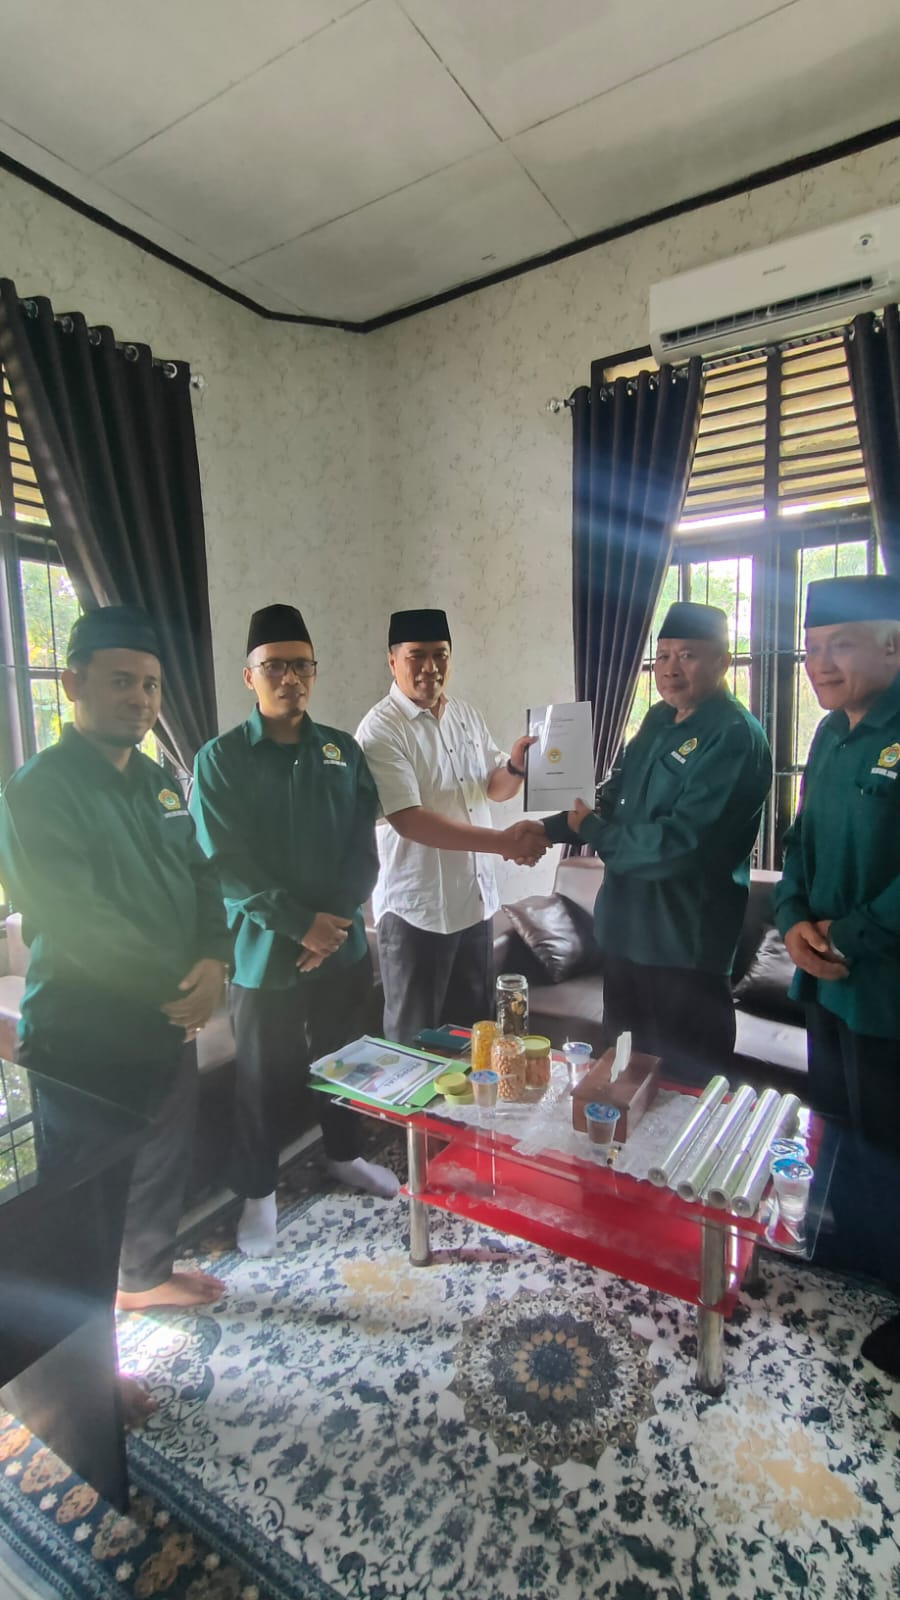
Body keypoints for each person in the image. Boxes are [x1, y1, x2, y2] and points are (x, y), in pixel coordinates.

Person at [0, 606, 231, 1415]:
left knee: (160, 1165)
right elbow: (76, 921)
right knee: (83, 1213)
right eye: (122, 682)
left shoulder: (159, 778)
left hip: (164, 1024)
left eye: (152, 685)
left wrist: (216, 960)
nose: (141, 699)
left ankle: (144, 1278)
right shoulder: (38, 790)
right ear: (74, 684)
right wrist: (182, 984)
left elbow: (203, 873)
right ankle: (82, 1379)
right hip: (85, 1040)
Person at [190, 604, 395, 1259]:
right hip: (262, 953)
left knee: (346, 1060)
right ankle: (258, 1192)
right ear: (248, 676)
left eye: (301, 666)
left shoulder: (340, 750)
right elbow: (225, 862)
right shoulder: (220, 760)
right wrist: (299, 925)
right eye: (274, 666)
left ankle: (344, 1154)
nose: (290, 678)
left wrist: (330, 925)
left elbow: (362, 847)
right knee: (261, 1078)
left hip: (340, 945)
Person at [539, 601, 772, 1084]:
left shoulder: (734, 736)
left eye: (687, 655)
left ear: (722, 661)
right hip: (625, 940)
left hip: (682, 951)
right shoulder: (657, 720)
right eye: (663, 655)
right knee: (622, 1081)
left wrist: (592, 831)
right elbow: (612, 795)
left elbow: (679, 846)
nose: (670, 669)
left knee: (682, 1092)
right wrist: (547, 829)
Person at [773, 573, 900, 1379]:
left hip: (885, 986)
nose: (820, 664)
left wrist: (847, 934)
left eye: (840, 645)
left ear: (893, 645)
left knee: (891, 1139)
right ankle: (847, 1255)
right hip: (826, 982)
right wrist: (791, 919)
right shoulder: (827, 735)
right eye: (812, 648)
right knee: (839, 1124)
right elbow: (800, 842)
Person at [355, 608, 545, 1044]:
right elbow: (411, 820)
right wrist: (504, 843)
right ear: (392, 661)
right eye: (416, 656)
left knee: (474, 1039)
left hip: (473, 906)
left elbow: (492, 787)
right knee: (415, 1045)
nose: (430, 667)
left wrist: (516, 766)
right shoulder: (381, 729)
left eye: (440, 654)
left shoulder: (465, 715)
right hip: (416, 915)